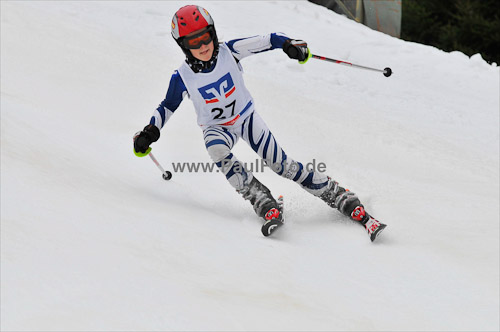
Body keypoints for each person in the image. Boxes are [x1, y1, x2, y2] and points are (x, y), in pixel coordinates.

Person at [133, 5, 386, 240]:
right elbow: (168, 105)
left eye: (206, 36)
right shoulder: (182, 77)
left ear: (213, 33)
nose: (202, 45)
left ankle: (337, 194)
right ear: (182, 45)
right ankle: (260, 198)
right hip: (216, 128)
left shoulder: (229, 51)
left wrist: (290, 45)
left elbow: (270, 39)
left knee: (282, 166)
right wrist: (150, 132)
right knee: (216, 149)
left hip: (245, 118)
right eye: (193, 42)